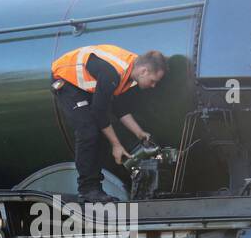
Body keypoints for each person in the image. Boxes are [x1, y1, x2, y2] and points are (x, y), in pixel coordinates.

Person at [50, 45, 165, 202]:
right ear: (144, 71)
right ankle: (88, 190)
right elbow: (100, 112)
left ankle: (96, 188)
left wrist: (139, 132)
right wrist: (116, 145)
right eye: (153, 81)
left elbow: (119, 107)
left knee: (98, 132)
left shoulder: (130, 70)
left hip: (86, 84)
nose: (153, 86)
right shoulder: (113, 73)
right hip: (66, 79)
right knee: (88, 132)